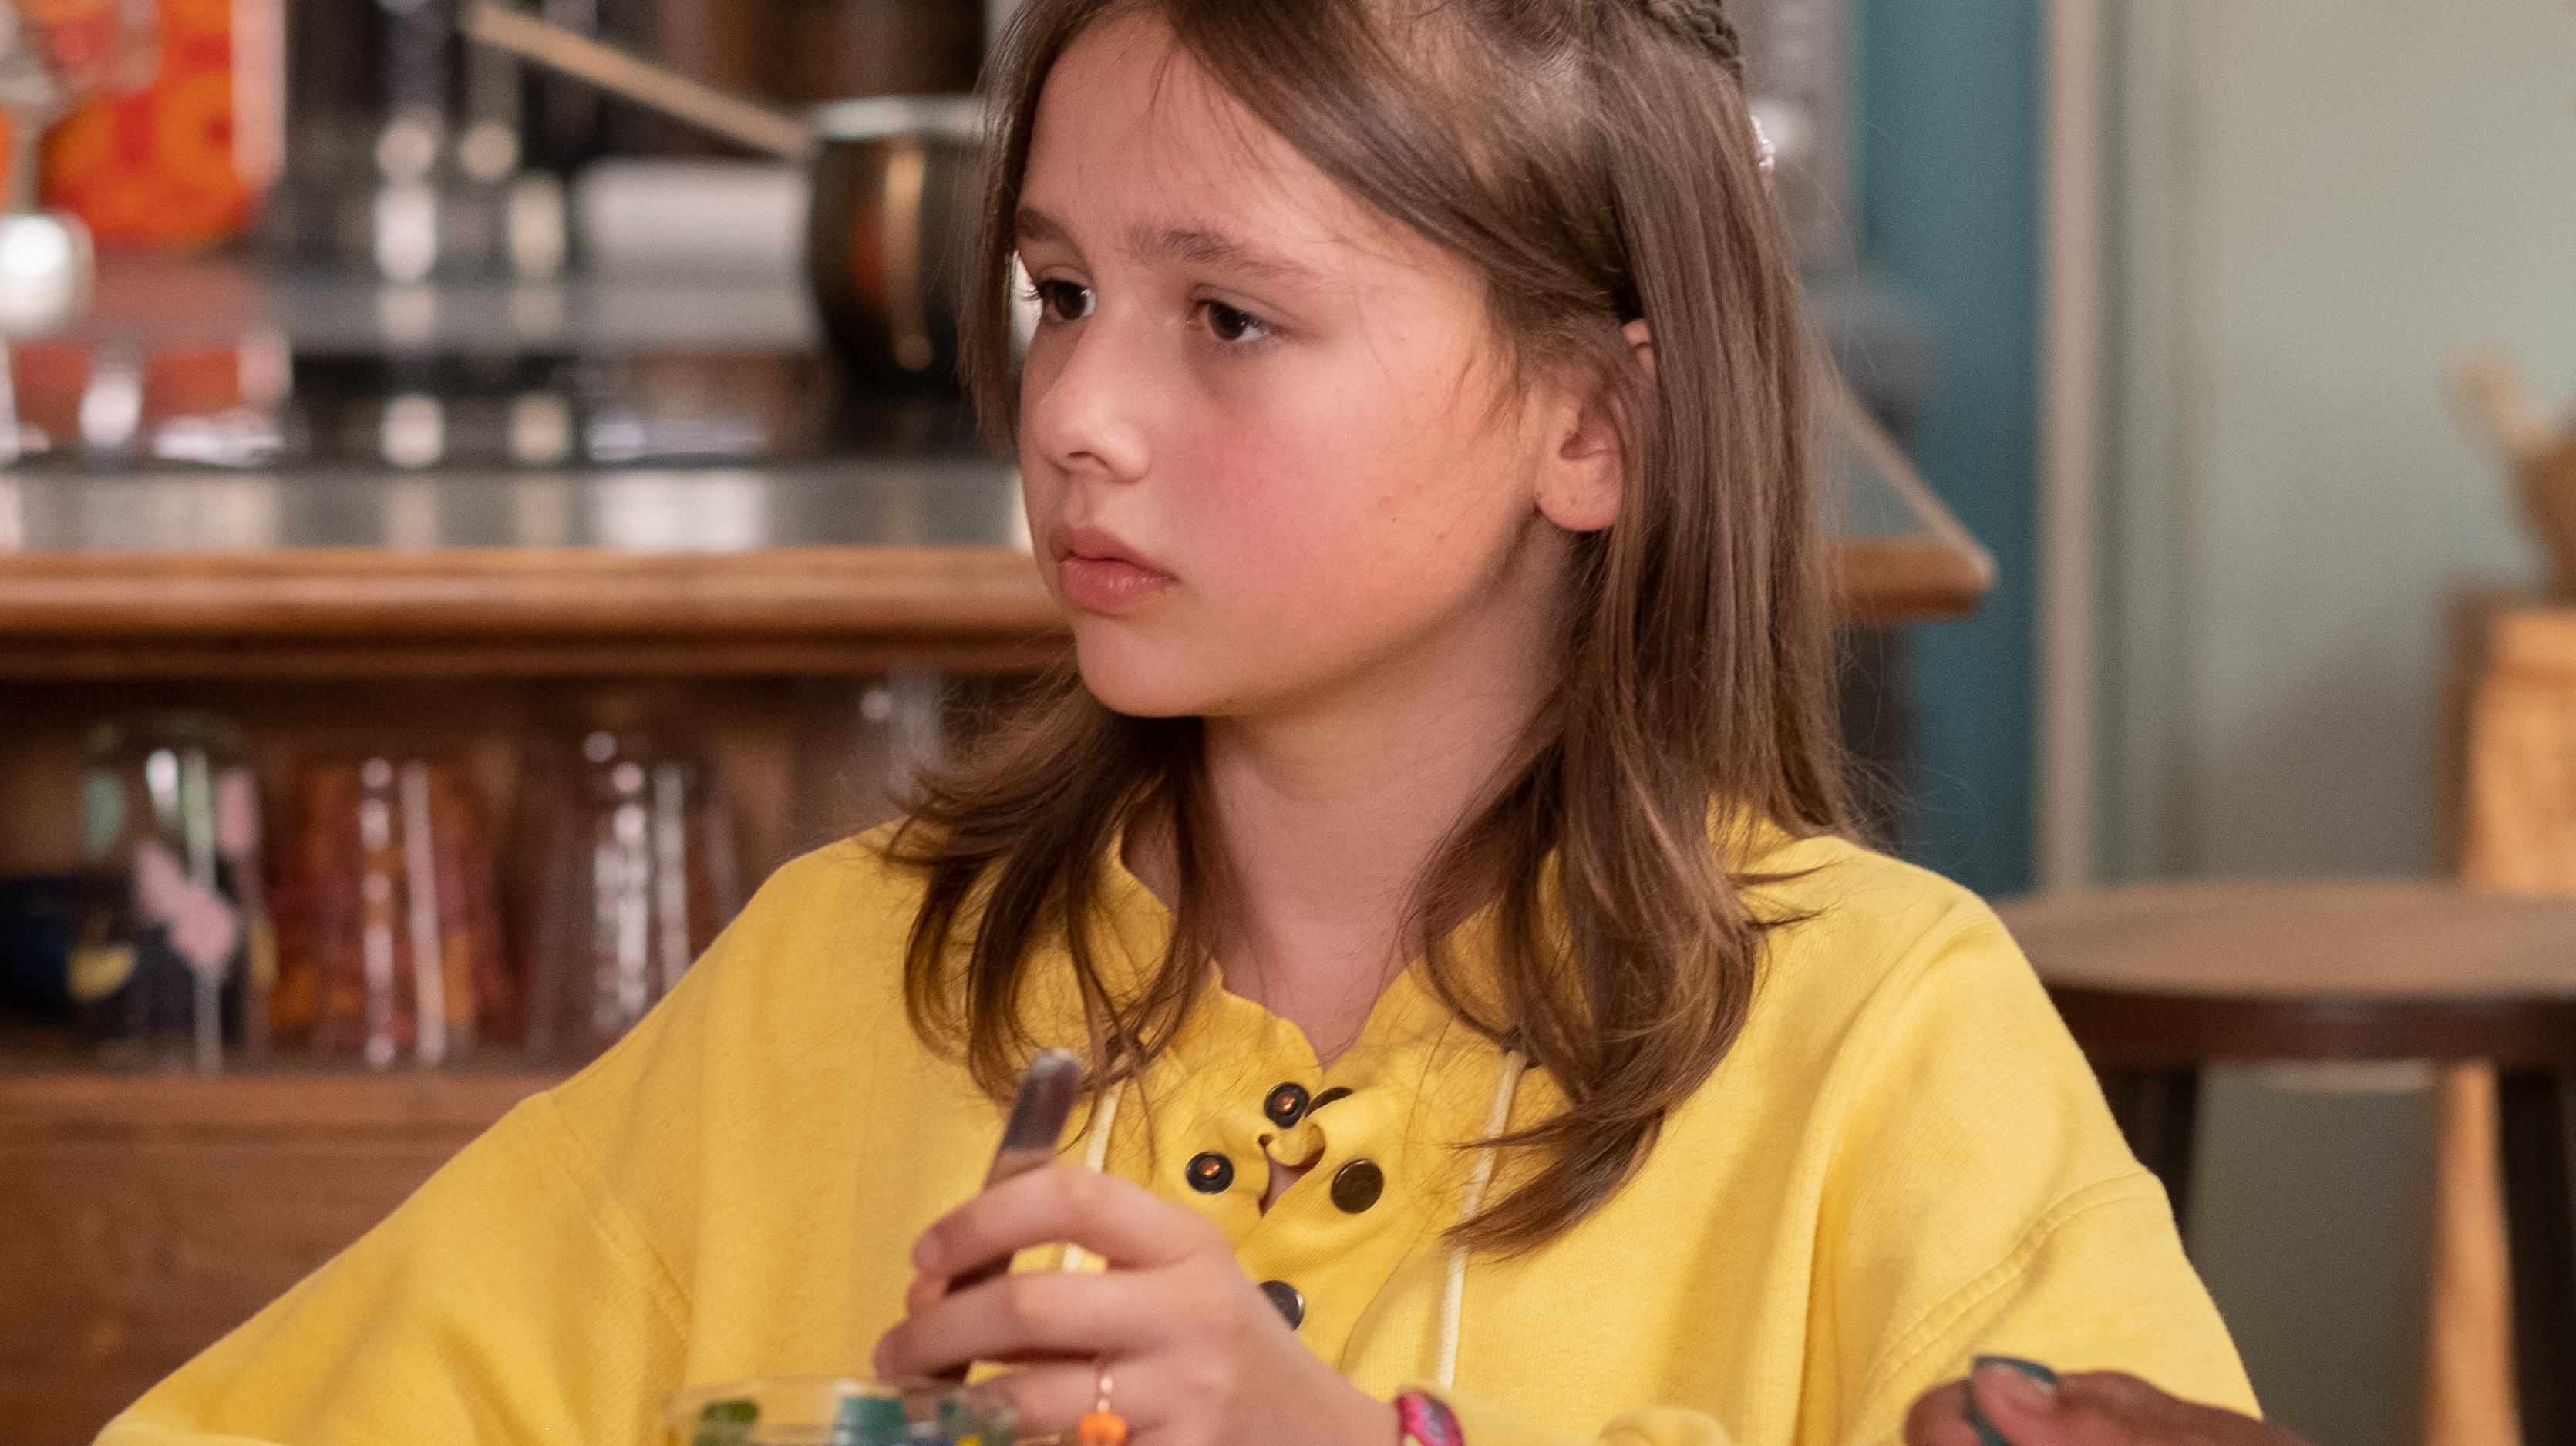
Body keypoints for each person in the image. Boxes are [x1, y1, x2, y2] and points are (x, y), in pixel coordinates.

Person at [103, 2, 2271, 1444]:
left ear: (1593, 424)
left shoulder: (1887, 1041)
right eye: (1060, 295)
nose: (1076, 411)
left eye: (1227, 316)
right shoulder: (839, 980)